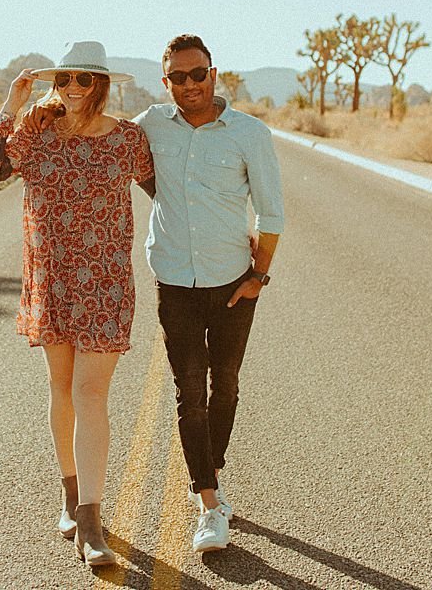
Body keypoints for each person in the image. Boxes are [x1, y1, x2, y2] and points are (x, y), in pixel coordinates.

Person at [0, 40, 155, 569]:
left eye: (84, 80)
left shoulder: (127, 140)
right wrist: (11, 103)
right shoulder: (35, 131)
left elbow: (165, 193)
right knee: (62, 388)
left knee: (90, 392)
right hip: (51, 278)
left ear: (100, 86)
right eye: (66, 79)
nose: (72, 88)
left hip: (104, 282)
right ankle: (70, 496)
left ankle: (93, 520)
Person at [136, 33, 283, 554]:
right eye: (179, 76)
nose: (190, 84)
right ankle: (210, 502)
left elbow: (271, 213)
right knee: (189, 392)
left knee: (226, 385)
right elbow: (108, 150)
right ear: (166, 81)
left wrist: (257, 276)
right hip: (174, 280)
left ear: (214, 74)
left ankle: (208, 472)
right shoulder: (151, 126)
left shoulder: (249, 134)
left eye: (198, 74)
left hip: (232, 284)